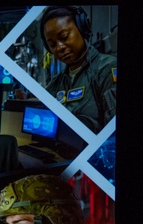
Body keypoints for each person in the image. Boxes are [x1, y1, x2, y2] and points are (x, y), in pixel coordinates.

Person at [40, 6, 116, 134]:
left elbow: (111, 136)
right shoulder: (54, 85)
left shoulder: (107, 69)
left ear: (82, 28)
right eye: (52, 45)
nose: (59, 48)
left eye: (64, 37)